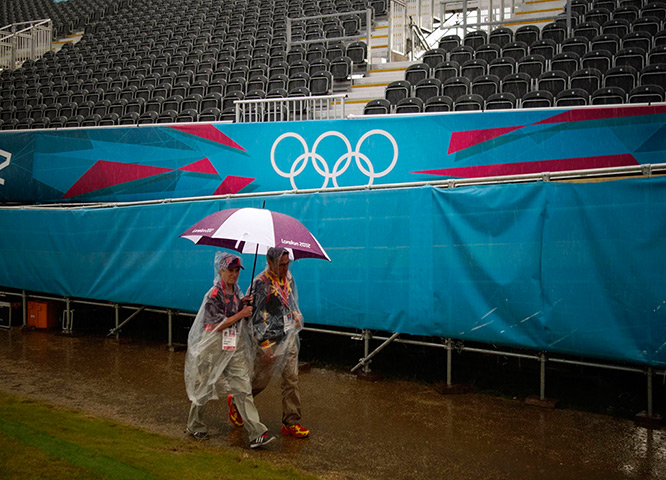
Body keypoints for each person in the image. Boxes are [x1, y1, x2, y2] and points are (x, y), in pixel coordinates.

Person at [184, 252, 275, 449]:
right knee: (205, 386)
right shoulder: (213, 295)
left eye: (237, 271)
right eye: (230, 270)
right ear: (221, 270)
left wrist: (244, 305)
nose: (234, 274)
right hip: (213, 345)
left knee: (242, 387)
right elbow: (214, 325)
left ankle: (257, 433)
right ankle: (195, 424)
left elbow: (235, 314)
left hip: (232, 346)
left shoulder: (237, 293)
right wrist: (241, 313)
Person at [245, 246, 310, 438]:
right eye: (281, 265)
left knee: (291, 379)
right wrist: (264, 345)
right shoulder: (260, 283)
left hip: (287, 336)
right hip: (268, 340)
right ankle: (239, 400)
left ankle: (291, 421)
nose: (285, 268)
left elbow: (290, 301)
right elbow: (254, 318)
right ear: (269, 262)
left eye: (287, 264)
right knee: (260, 381)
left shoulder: (288, 278)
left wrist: (296, 314)